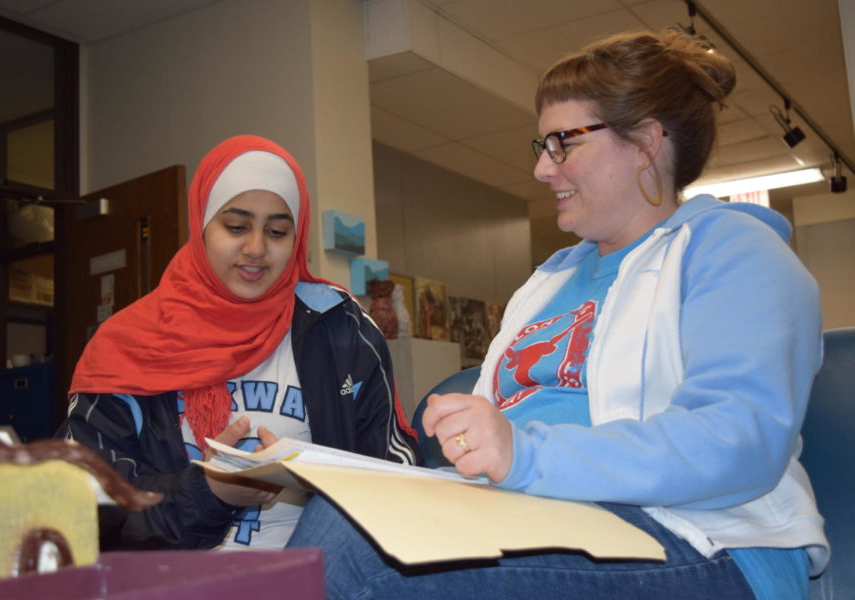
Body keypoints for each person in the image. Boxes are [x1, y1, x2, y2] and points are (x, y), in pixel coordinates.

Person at [287, 30, 828, 599]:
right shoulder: (549, 281)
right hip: (549, 521)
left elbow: (736, 440)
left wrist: (525, 452)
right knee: (342, 515)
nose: (544, 170)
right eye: (541, 145)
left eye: (564, 142)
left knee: (365, 555)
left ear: (645, 143)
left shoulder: (735, 251)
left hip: (706, 543)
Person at [59, 135, 418, 551]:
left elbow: (395, 469)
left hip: (324, 580)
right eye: (236, 226)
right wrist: (209, 493)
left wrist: (322, 479)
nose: (256, 249)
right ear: (202, 225)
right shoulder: (127, 343)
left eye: (278, 231)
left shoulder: (339, 326)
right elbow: (90, 504)